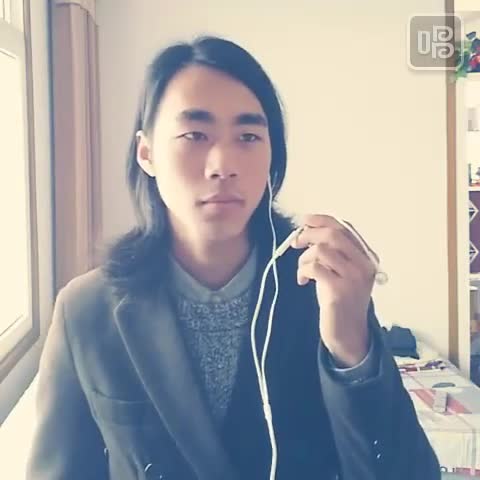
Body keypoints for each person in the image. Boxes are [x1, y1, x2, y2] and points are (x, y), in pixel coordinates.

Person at [26, 35, 440, 480]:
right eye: (195, 135)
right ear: (147, 154)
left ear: (271, 155)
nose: (223, 164)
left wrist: (351, 346)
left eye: (248, 136)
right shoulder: (86, 310)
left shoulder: (322, 288)